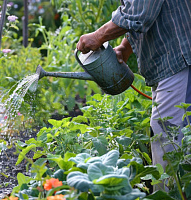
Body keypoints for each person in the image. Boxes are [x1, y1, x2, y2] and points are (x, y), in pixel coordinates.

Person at [76, 0, 191, 190]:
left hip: (180, 60)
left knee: (170, 147)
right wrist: (125, 47)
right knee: (172, 143)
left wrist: (98, 36)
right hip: (173, 62)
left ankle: (172, 194)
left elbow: (140, 13)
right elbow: (152, 13)